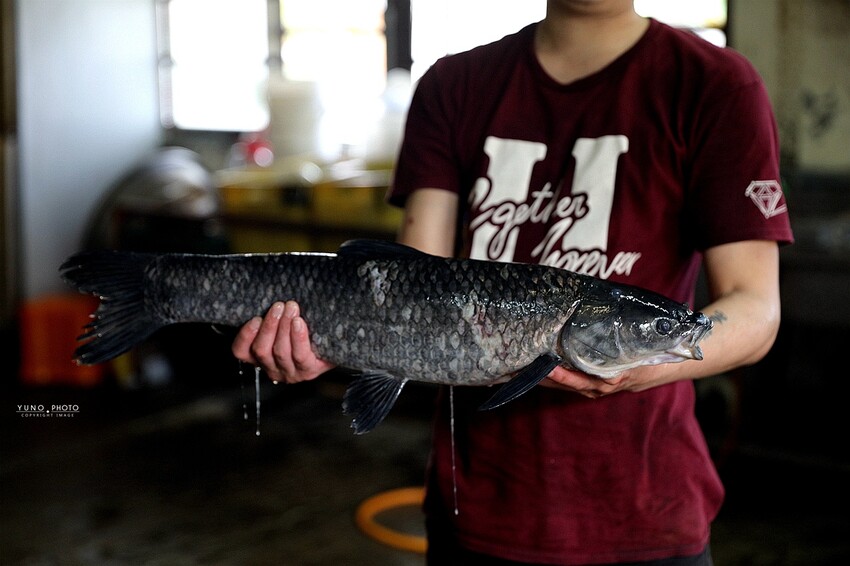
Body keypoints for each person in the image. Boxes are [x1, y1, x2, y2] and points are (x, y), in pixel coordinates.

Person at [233, 1, 794, 564]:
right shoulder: (455, 83)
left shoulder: (715, 83)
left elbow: (756, 308)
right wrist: (329, 338)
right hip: (476, 504)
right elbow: (408, 286)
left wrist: (645, 368)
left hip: (645, 508)